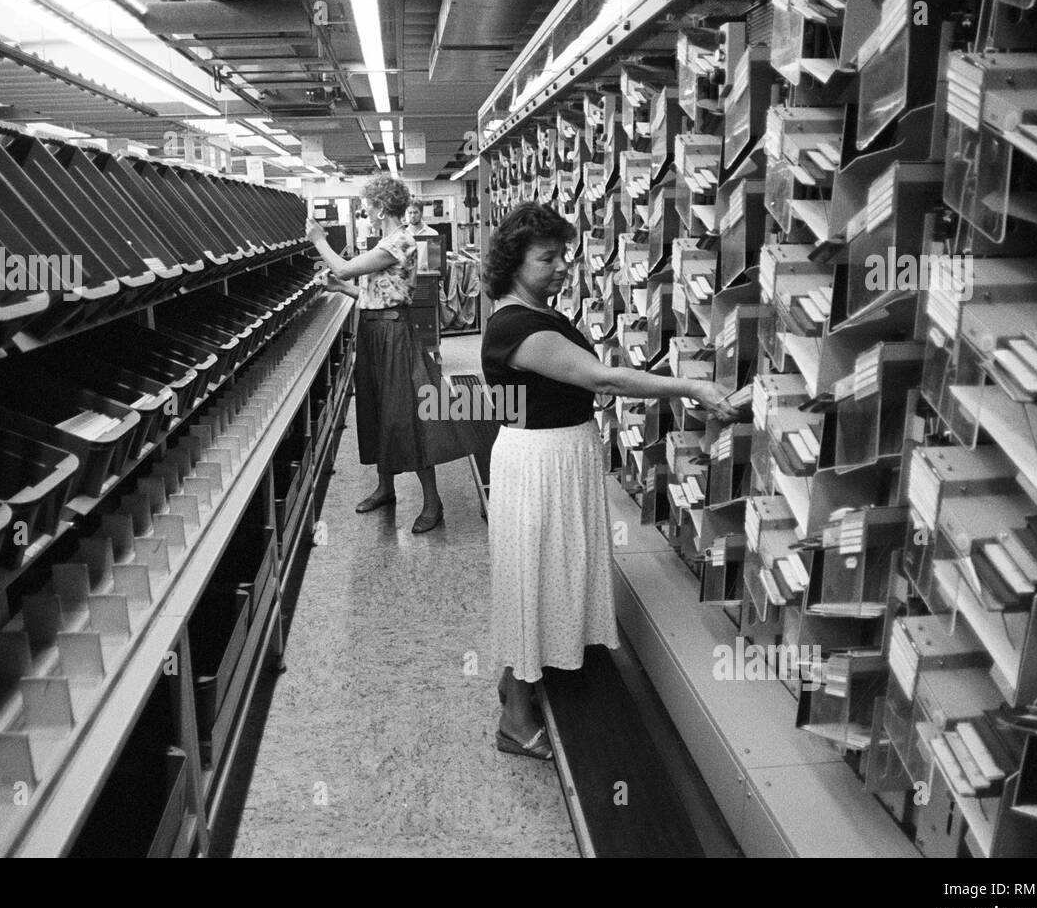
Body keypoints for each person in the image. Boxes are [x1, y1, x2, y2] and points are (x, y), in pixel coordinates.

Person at [481, 202, 740, 759]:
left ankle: (517, 675)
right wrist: (690, 389)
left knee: (546, 567)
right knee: (534, 571)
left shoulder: (535, 313)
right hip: (540, 463)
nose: (560, 269)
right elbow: (602, 378)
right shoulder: (516, 326)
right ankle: (515, 715)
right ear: (512, 263)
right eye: (545, 259)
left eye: (563, 258)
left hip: (559, 457)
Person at [306, 175, 467, 533]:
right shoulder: (384, 242)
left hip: (394, 334)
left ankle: (432, 502)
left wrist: (320, 241)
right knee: (378, 409)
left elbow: (345, 266)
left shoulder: (400, 242)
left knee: (408, 416)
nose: (365, 210)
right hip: (374, 331)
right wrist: (341, 288)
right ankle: (385, 488)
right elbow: (371, 295)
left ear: (380, 207)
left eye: (368, 204)